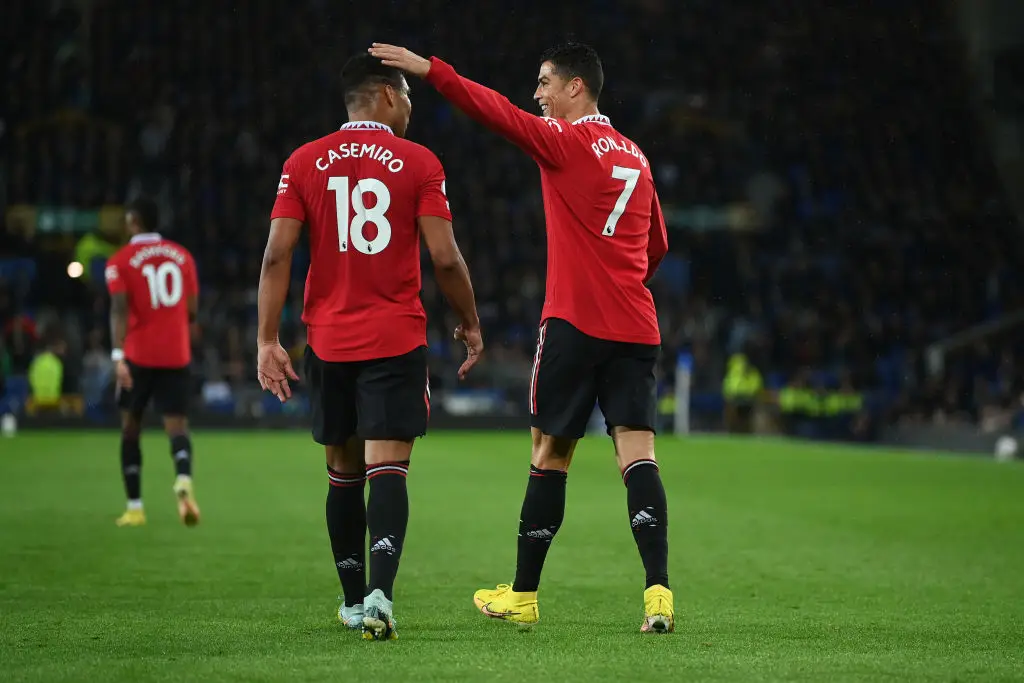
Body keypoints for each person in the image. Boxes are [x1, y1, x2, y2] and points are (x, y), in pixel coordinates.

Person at [370, 42, 673, 633]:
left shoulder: (564, 142)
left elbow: (494, 111)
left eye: (544, 83)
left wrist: (434, 72)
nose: (536, 95)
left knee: (549, 455)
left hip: (574, 325)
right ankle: (658, 595)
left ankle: (525, 596)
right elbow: (655, 246)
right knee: (638, 456)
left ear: (576, 88)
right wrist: (620, 281)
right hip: (637, 328)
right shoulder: (637, 158)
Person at [256, 53, 483, 641]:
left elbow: (277, 254)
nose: (411, 105)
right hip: (393, 336)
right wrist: (470, 320)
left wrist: (265, 340)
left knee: (341, 473)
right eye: (407, 95)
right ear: (385, 94)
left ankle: (354, 600)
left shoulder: (304, 161)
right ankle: (382, 595)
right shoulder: (419, 162)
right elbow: (444, 256)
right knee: (389, 467)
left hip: (328, 340)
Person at [104, 196, 201, 528]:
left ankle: (134, 508)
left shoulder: (120, 261)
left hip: (139, 356)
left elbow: (118, 309)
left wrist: (118, 355)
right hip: (176, 353)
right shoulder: (183, 257)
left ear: (133, 221)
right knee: (177, 426)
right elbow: (191, 311)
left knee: (131, 428)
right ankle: (184, 478)